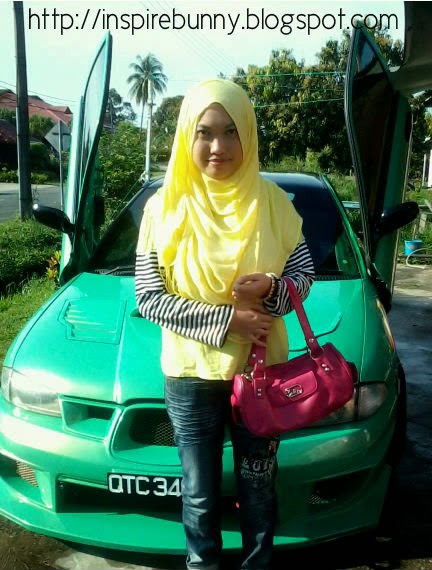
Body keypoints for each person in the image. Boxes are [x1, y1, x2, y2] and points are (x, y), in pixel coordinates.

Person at [135, 78, 315, 570]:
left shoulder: (273, 203)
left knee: (258, 486)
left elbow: (304, 276)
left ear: (248, 135)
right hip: (191, 376)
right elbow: (148, 298)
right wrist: (228, 321)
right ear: (187, 137)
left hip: (261, 375)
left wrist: (274, 289)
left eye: (231, 131)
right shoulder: (163, 207)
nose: (218, 146)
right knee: (198, 492)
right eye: (205, 132)